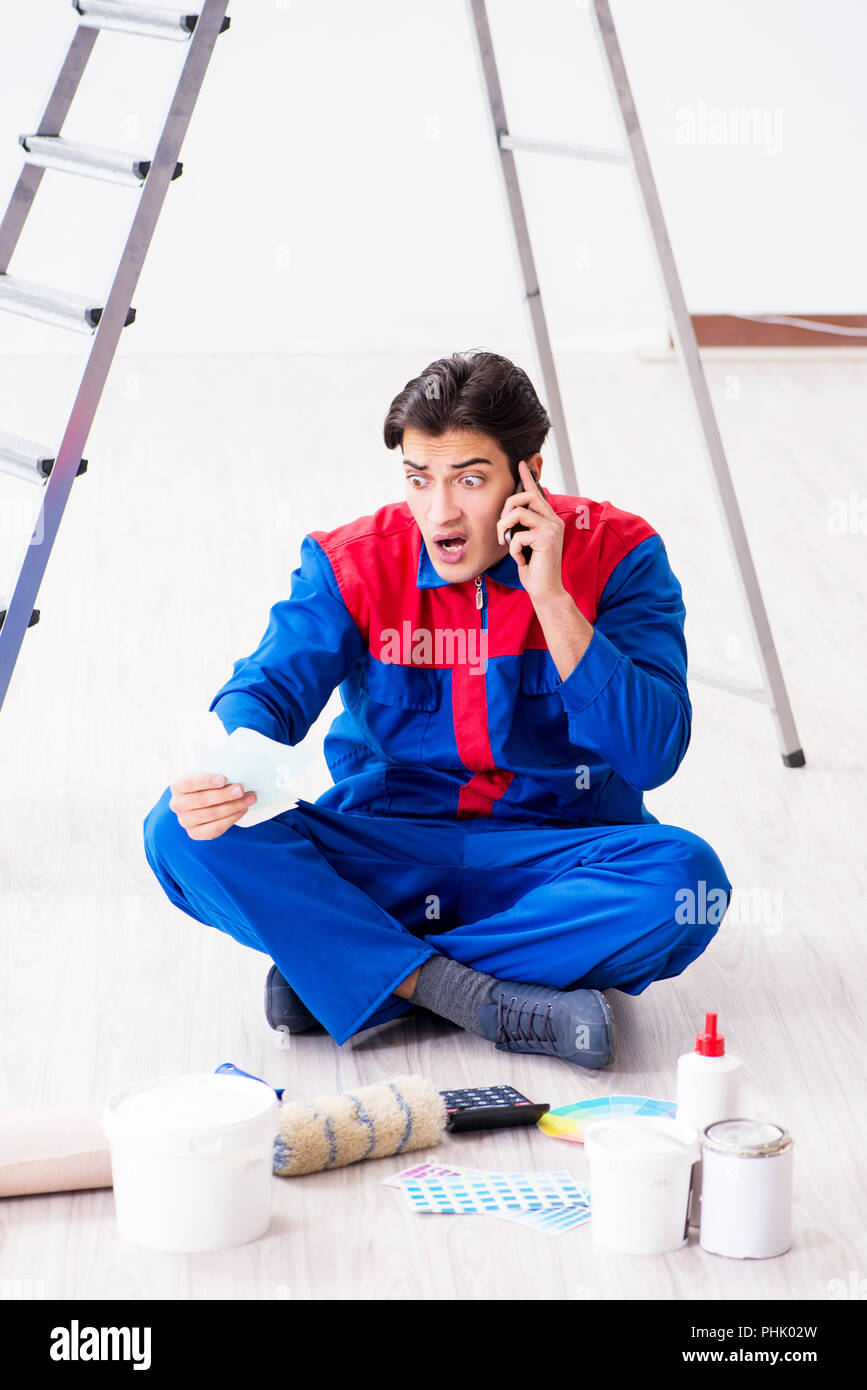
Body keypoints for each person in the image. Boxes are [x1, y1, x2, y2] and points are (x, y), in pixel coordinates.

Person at [143, 349, 732, 1069]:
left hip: (554, 858)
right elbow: (266, 689)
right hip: (389, 854)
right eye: (419, 479)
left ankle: (356, 972)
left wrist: (551, 597)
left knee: (685, 883)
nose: (439, 512)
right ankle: (473, 993)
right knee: (178, 831)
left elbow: (652, 754)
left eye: (470, 480)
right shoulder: (354, 561)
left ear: (529, 477)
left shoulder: (619, 554)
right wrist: (228, 769)